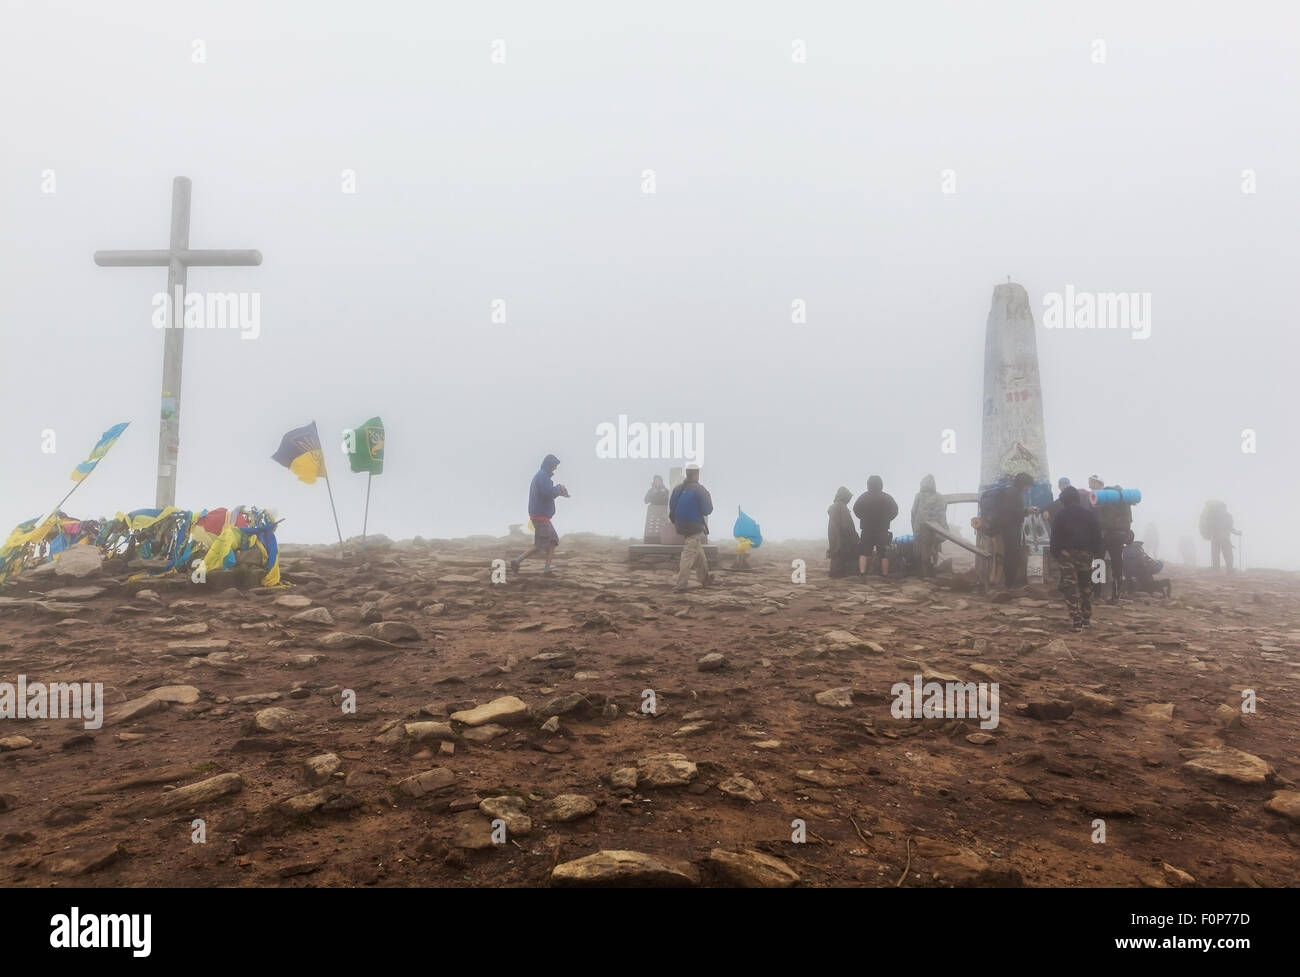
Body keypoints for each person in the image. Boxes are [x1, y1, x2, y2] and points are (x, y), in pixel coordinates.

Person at [1048, 484, 1104, 630]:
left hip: (1067, 554)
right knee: (1086, 586)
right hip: (1086, 554)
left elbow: (1055, 536)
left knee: (1070, 586)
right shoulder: (1089, 514)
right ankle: (1086, 619)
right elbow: (1097, 535)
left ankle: (1076, 619)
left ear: (1064, 499)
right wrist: (1096, 553)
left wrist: (1055, 553)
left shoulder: (1061, 514)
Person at [511, 454, 569, 576]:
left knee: (553, 541)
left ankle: (546, 569)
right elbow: (547, 493)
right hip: (540, 516)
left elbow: (547, 493)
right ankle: (517, 561)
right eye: (554, 465)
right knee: (540, 545)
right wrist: (559, 488)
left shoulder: (543, 477)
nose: (555, 468)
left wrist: (558, 491)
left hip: (542, 516)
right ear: (548, 464)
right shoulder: (542, 477)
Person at [669, 463, 713, 591]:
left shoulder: (677, 489)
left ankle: (704, 578)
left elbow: (672, 507)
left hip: (680, 524)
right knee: (688, 554)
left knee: (697, 549)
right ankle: (681, 584)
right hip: (694, 526)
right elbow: (707, 510)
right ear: (697, 474)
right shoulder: (700, 489)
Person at [1092, 475, 1133, 602]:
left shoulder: (1105, 501)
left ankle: (1097, 594)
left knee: (1098, 563)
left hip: (1104, 535)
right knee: (1117, 564)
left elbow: (1100, 520)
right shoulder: (1124, 501)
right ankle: (1116, 595)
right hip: (1119, 537)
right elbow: (1129, 520)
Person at [994, 472, 1036, 588]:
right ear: (1023, 484)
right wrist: (1026, 511)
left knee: (1011, 554)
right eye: (1028, 485)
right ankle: (1009, 583)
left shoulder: (1012, 492)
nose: (1028, 488)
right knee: (1012, 555)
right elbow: (1010, 512)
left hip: (1010, 527)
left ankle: (1010, 582)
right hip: (1010, 527)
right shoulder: (1013, 493)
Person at [853, 475, 898, 577]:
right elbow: (895, 511)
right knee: (884, 554)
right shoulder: (887, 497)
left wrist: (863, 518)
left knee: (863, 552)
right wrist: (888, 519)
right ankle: (884, 575)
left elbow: (856, 509)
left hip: (866, 529)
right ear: (881, 484)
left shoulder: (863, 496)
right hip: (882, 529)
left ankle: (862, 573)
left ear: (868, 484)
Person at [909, 474, 947, 577]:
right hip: (938, 528)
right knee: (935, 546)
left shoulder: (919, 496)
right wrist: (943, 527)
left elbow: (913, 512)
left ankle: (924, 572)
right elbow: (943, 511)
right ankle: (933, 568)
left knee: (923, 548)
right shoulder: (939, 497)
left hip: (922, 527)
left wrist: (914, 527)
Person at [827, 486, 859, 578]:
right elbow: (846, 525)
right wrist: (854, 537)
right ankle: (839, 573)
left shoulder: (835, 506)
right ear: (844, 497)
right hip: (842, 536)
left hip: (834, 534)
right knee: (841, 551)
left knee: (835, 552)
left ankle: (835, 572)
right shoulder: (841, 507)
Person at [1200, 500, 1241, 572]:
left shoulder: (1213, 515)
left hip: (1215, 537)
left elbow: (1209, 526)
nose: (1224, 509)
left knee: (1215, 554)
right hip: (1224, 538)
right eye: (1224, 508)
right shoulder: (1228, 516)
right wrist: (1237, 532)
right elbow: (1230, 527)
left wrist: (1210, 534)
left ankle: (1217, 569)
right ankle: (1229, 569)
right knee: (1227, 554)